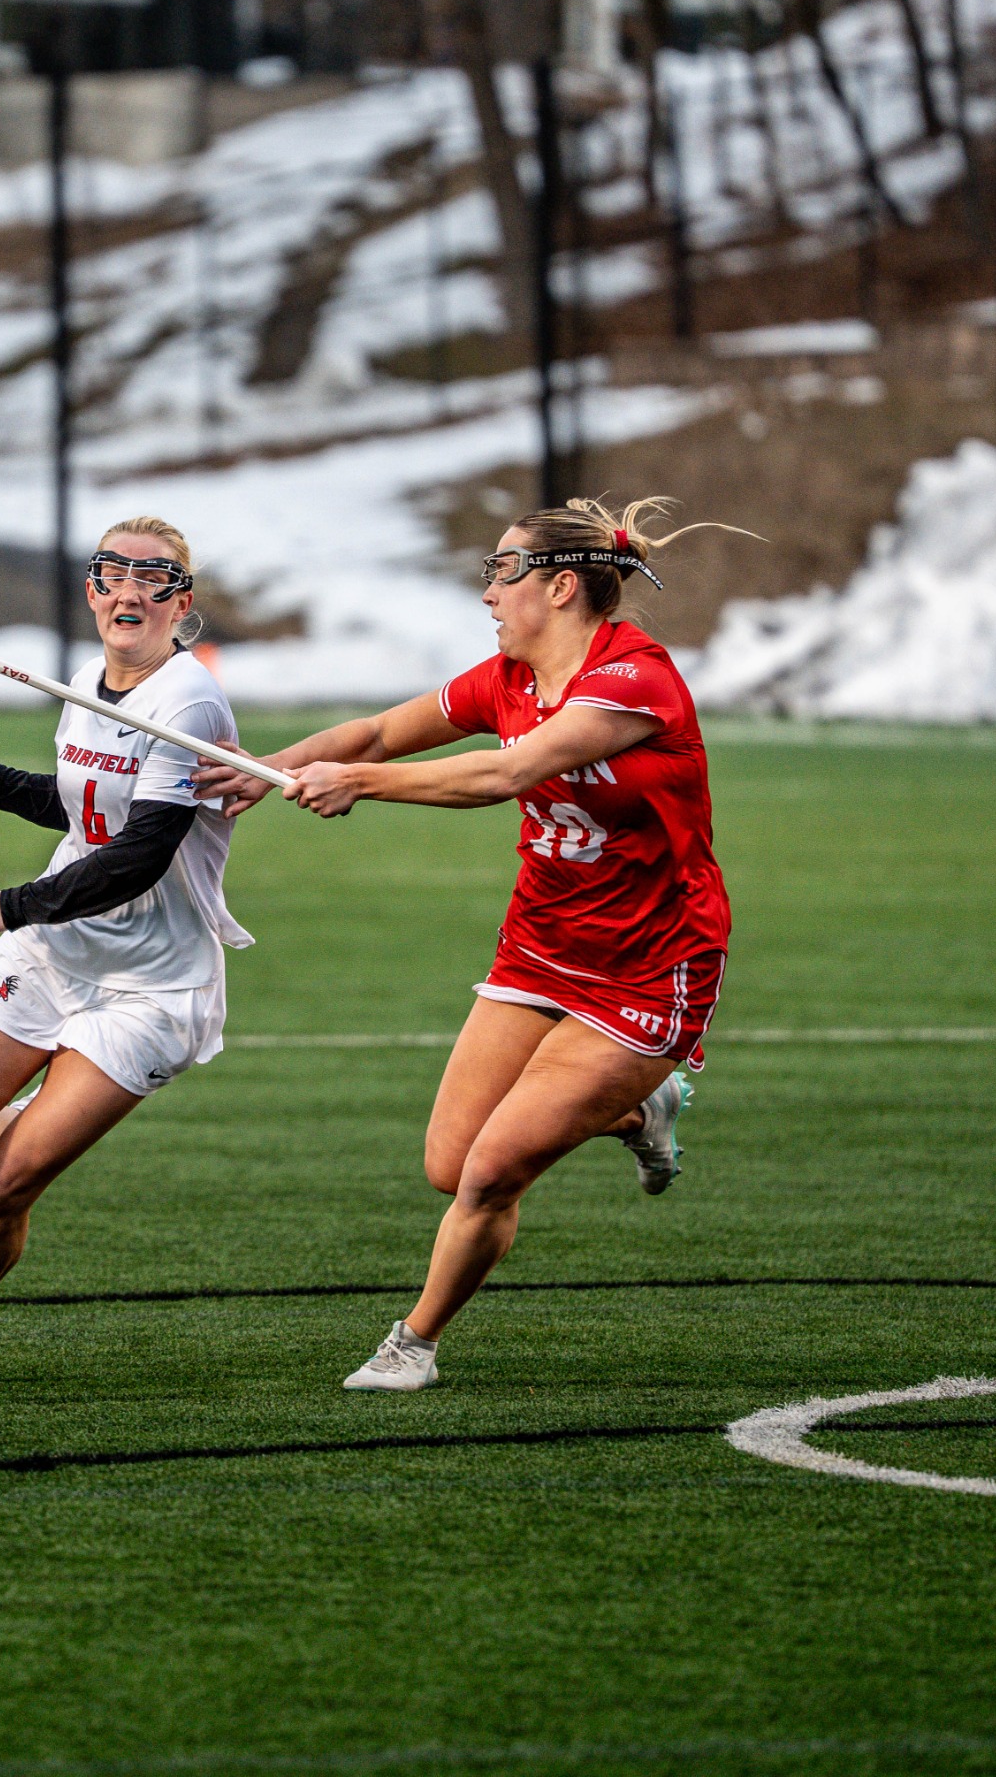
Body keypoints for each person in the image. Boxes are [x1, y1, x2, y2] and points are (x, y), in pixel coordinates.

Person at [194, 496, 736, 1392]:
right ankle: (641, 1111)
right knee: (450, 1163)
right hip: (538, 947)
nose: (487, 591)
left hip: (649, 966)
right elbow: (373, 731)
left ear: (561, 587)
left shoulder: (634, 679)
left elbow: (505, 772)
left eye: (502, 570)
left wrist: (358, 785)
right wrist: (264, 771)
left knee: (490, 1173)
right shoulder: (504, 679)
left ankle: (413, 1343)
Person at [0, 516, 252, 1391]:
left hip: (151, 989)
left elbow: (139, 853)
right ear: (90, 590)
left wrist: (9, 906)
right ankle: (29, 1114)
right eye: (110, 571)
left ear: (179, 602)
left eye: (151, 577)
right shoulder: (87, 680)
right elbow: (81, 811)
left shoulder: (187, 700)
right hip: (52, 958)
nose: (128, 588)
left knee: (6, 1183)